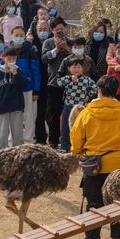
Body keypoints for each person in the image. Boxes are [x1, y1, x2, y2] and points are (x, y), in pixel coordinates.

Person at [70, 75, 120, 239]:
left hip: (94, 166)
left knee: (94, 206)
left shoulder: (86, 112)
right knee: (118, 205)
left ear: (98, 90)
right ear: (116, 92)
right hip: (119, 165)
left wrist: (81, 151)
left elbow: (75, 141)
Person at [42, 17, 71, 149]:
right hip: (54, 83)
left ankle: (69, 140)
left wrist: (66, 47)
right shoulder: (48, 43)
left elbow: (77, 57)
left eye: (62, 28)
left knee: (70, 112)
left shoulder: (71, 42)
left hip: (71, 84)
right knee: (53, 114)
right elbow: (44, 59)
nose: (60, 31)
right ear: (52, 30)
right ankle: (53, 141)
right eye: (57, 29)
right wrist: (56, 50)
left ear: (65, 29)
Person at [58, 58, 97, 152]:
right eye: (74, 67)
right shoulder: (67, 79)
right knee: (65, 128)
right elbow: (58, 82)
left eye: (79, 67)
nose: (76, 69)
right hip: (68, 106)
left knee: (81, 128)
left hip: (80, 108)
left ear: (82, 69)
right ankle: (64, 147)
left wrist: (88, 96)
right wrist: (69, 79)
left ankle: (80, 147)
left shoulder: (87, 80)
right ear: (69, 68)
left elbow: (94, 88)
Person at [10, 26, 41, 143]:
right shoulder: (8, 50)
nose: (18, 37)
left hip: (28, 88)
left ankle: (28, 140)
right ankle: (13, 140)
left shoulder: (30, 50)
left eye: (21, 35)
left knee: (29, 115)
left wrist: (36, 90)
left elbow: (36, 72)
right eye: (16, 35)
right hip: (12, 89)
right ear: (12, 36)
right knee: (13, 115)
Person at [0, 47, 26, 149]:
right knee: (2, 134)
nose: (11, 61)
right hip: (2, 106)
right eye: (9, 59)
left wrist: (15, 73)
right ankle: (1, 152)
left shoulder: (19, 71)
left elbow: (23, 85)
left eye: (13, 59)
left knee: (17, 132)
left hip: (16, 106)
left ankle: (18, 152)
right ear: (3, 59)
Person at [32, 20, 50, 144]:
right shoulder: (33, 46)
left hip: (53, 82)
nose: (42, 32)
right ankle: (40, 138)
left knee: (52, 113)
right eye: (40, 29)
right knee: (39, 113)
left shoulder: (52, 43)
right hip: (39, 83)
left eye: (45, 29)